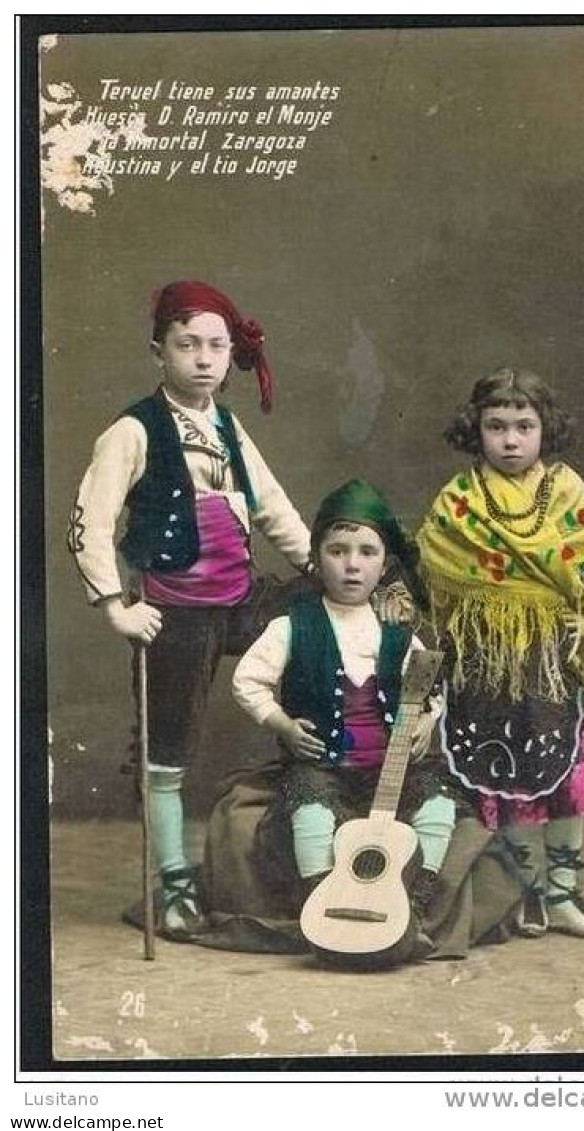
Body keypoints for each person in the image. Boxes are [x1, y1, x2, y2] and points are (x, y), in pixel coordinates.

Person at [67, 279, 314, 939]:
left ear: (229, 353)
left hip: (239, 602)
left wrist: (325, 573)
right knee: (167, 751)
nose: (202, 358)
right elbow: (88, 525)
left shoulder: (228, 427)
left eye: (215, 345)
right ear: (159, 352)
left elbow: (274, 510)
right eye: (186, 345)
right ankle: (174, 881)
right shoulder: (131, 430)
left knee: (326, 611)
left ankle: (321, 798)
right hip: (175, 612)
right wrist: (116, 602)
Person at [416, 365, 584, 940]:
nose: (510, 441)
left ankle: (564, 892)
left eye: (523, 426)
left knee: (564, 777)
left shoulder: (566, 491)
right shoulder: (459, 500)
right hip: (487, 663)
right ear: (476, 429)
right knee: (504, 776)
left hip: (550, 662)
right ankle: (528, 889)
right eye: (496, 426)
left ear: (545, 429)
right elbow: (432, 571)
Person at [231, 479, 457, 951]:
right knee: (309, 810)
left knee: (438, 805)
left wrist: (425, 722)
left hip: (388, 772)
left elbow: (431, 687)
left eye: (367, 552)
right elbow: (246, 681)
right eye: (337, 551)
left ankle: (411, 905)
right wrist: (282, 725)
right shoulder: (293, 625)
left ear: (385, 563)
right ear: (317, 557)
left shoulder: (397, 631)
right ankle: (320, 904)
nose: (352, 564)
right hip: (322, 767)